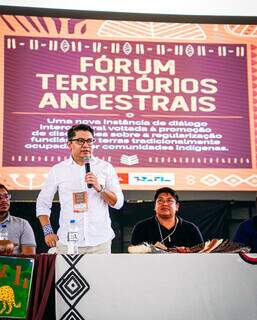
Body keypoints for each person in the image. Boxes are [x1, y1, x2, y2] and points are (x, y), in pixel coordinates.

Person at [36, 124, 124, 254]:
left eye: (89, 141)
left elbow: (118, 203)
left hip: (100, 242)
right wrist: (48, 232)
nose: (86, 145)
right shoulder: (58, 169)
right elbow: (43, 203)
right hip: (68, 242)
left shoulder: (105, 167)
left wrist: (100, 188)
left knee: (100, 275)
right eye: (80, 141)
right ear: (69, 144)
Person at [131, 187, 203, 249]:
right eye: (160, 200)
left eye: (169, 201)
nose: (165, 204)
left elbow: (201, 254)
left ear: (177, 206)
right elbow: (134, 255)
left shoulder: (191, 229)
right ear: (154, 206)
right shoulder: (141, 227)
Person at [0, 184, 36, 255]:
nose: (4, 200)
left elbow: (29, 257)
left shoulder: (22, 224)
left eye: (6, 196)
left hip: (13, 265)